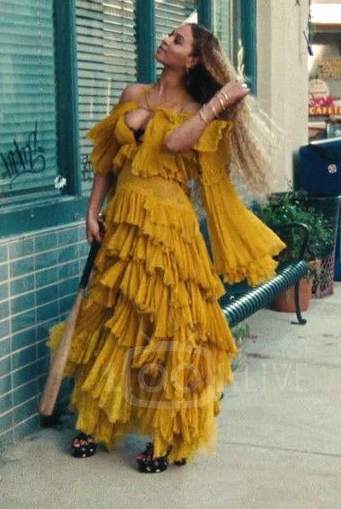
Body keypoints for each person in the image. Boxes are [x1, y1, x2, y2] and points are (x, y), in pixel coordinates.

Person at [48, 23, 285, 473]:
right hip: (125, 221)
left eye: (178, 41)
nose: (166, 40)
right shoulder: (133, 93)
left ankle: (167, 435)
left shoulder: (199, 110)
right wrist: (92, 210)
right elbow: (106, 160)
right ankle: (97, 420)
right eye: (170, 35)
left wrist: (219, 102)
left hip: (170, 229)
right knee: (116, 319)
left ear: (193, 61)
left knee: (168, 327)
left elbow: (174, 142)